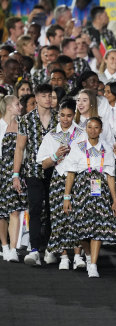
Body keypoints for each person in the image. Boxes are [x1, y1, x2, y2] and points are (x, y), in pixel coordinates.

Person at [63, 117, 116, 278]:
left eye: (96, 127)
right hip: (81, 190)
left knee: (98, 227)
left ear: (101, 130)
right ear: (85, 129)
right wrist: (67, 197)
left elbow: (110, 176)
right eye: (89, 127)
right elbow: (71, 173)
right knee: (81, 227)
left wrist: (114, 200)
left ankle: (93, 264)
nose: (93, 130)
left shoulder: (106, 148)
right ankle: (88, 255)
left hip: (100, 191)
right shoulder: (78, 147)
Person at [37, 99, 87, 270]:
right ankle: (64, 256)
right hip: (58, 179)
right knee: (59, 218)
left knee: (77, 218)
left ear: (74, 115)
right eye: (62, 115)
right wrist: (56, 155)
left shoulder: (81, 134)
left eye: (69, 116)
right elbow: (43, 164)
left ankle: (78, 256)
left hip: (78, 179)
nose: (65, 119)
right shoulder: (51, 135)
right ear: (58, 114)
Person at [12, 84, 58, 266]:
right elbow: (20, 148)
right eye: (44, 96)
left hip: (57, 171)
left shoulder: (59, 119)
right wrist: (16, 174)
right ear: (37, 98)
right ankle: (34, 249)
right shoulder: (26, 120)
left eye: (50, 95)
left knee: (53, 210)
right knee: (36, 208)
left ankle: (50, 248)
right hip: (33, 170)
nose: (48, 99)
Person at [0, 95, 28, 262]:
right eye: (18, 104)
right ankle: (4, 245)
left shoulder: (22, 126)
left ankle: (13, 249)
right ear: (9, 107)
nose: (21, 107)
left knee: (15, 210)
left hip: (17, 173)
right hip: (1, 172)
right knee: (2, 213)